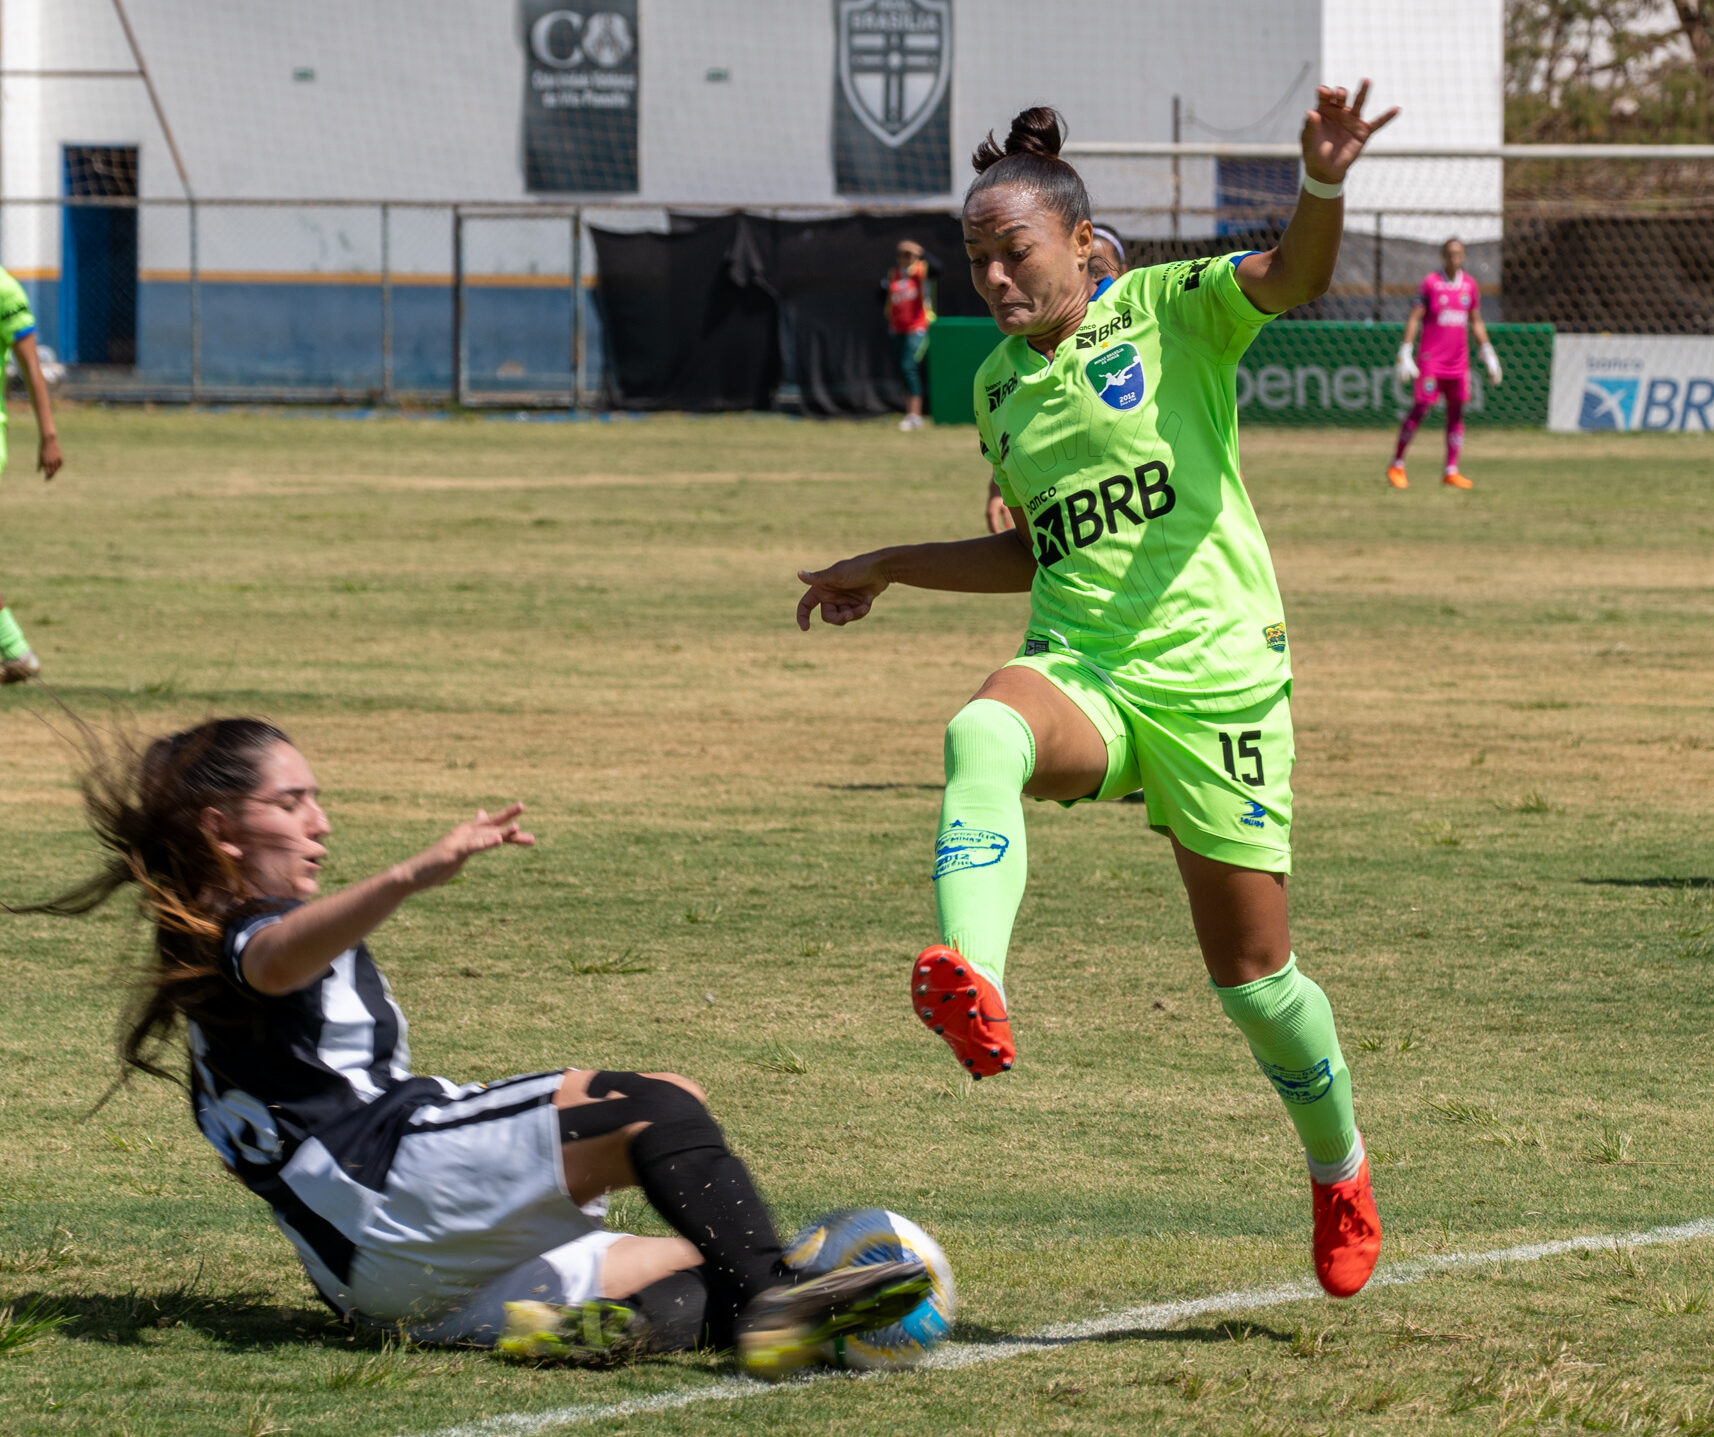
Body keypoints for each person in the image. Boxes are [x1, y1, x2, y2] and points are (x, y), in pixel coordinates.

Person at [796, 88, 1397, 1300]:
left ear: (1083, 244)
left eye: (1012, 252)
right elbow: (1042, 554)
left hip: (1217, 677)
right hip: (1086, 667)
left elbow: (1291, 275)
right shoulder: (995, 391)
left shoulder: (1171, 312)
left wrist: (1321, 180)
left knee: (1255, 983)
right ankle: (975, 981)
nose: (995, 280)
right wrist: (891, 564)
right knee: (980, 730)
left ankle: (1338, 1166)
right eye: (976, 261)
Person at [11, 718, 929, 1366]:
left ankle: (571, 1324)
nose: (321, 822)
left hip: (372, 1279)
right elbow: (279, 960)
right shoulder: (242, 936)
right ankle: (776, 1296)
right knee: (659, 1102)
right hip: (394, 1179)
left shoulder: (201, 951)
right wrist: (410, 873)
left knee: (702, 1259)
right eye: (292, 802)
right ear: (221, 828)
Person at [984, 223, 1128, 534]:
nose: (1092, 277)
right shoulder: (1015, 360)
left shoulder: (1146, 323)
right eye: (1088, 268)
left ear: (1124, 270)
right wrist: (999, 488)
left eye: (1102, 268)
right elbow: (1023, 428)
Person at [1387, 237, 1499, 491]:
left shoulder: (1469, 286)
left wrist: (1487, 351)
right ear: (1442, 256)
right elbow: (1415, 317)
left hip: (1458, 362)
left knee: (1456, 412)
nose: (1454, 259)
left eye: (1458, 254)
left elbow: (1476, 320)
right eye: (1449, 254)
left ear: (1464, 257)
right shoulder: (1431, 284)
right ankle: (1397, 464)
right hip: (1431, 361)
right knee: (1421, 408)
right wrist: (1406, 350)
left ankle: (1451, 470)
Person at [0, 264, 64, 683]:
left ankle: (16, 650)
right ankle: (16, 652)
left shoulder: (5, 290)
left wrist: (49, 433)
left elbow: (31, 369)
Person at [883, 241, 937, 432]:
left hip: (918, 328)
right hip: (897, 329)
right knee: (904, 370)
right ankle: (909, 413)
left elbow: (939, 268)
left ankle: (915, 416)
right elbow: (882, 296)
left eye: (908, 255)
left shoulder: (922, 270)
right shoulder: (894, 275)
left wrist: (921, 251)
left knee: (909, 367)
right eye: (901, 255)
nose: (904, 259)